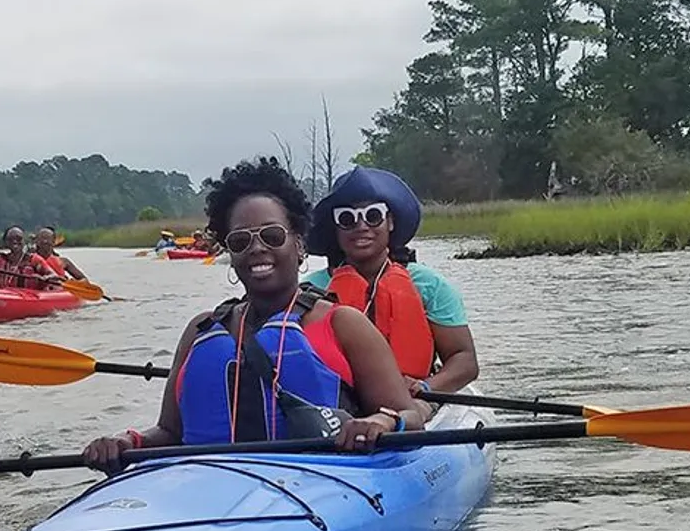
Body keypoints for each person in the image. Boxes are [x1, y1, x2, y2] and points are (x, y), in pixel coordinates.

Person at [83, 156, 430, 475]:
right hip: (211, 490)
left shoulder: (344, 324)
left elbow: (412, 417)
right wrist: (129, 441)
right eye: (240, 241)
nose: (257, 248)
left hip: (322, 484)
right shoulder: (201, 330)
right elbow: (171, 432)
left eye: (272, 235)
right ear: (230, 254)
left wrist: (382, 421)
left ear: (298, 244)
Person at [304, 166, 479, 396]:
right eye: (347, 219)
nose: (361, 226)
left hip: (416, 400)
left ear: (390, 222)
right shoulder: (309, 293)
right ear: (335, 229)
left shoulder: (430, 285)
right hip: (340, 405)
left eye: (373, 216)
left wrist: (426, 388)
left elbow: (464, 360)